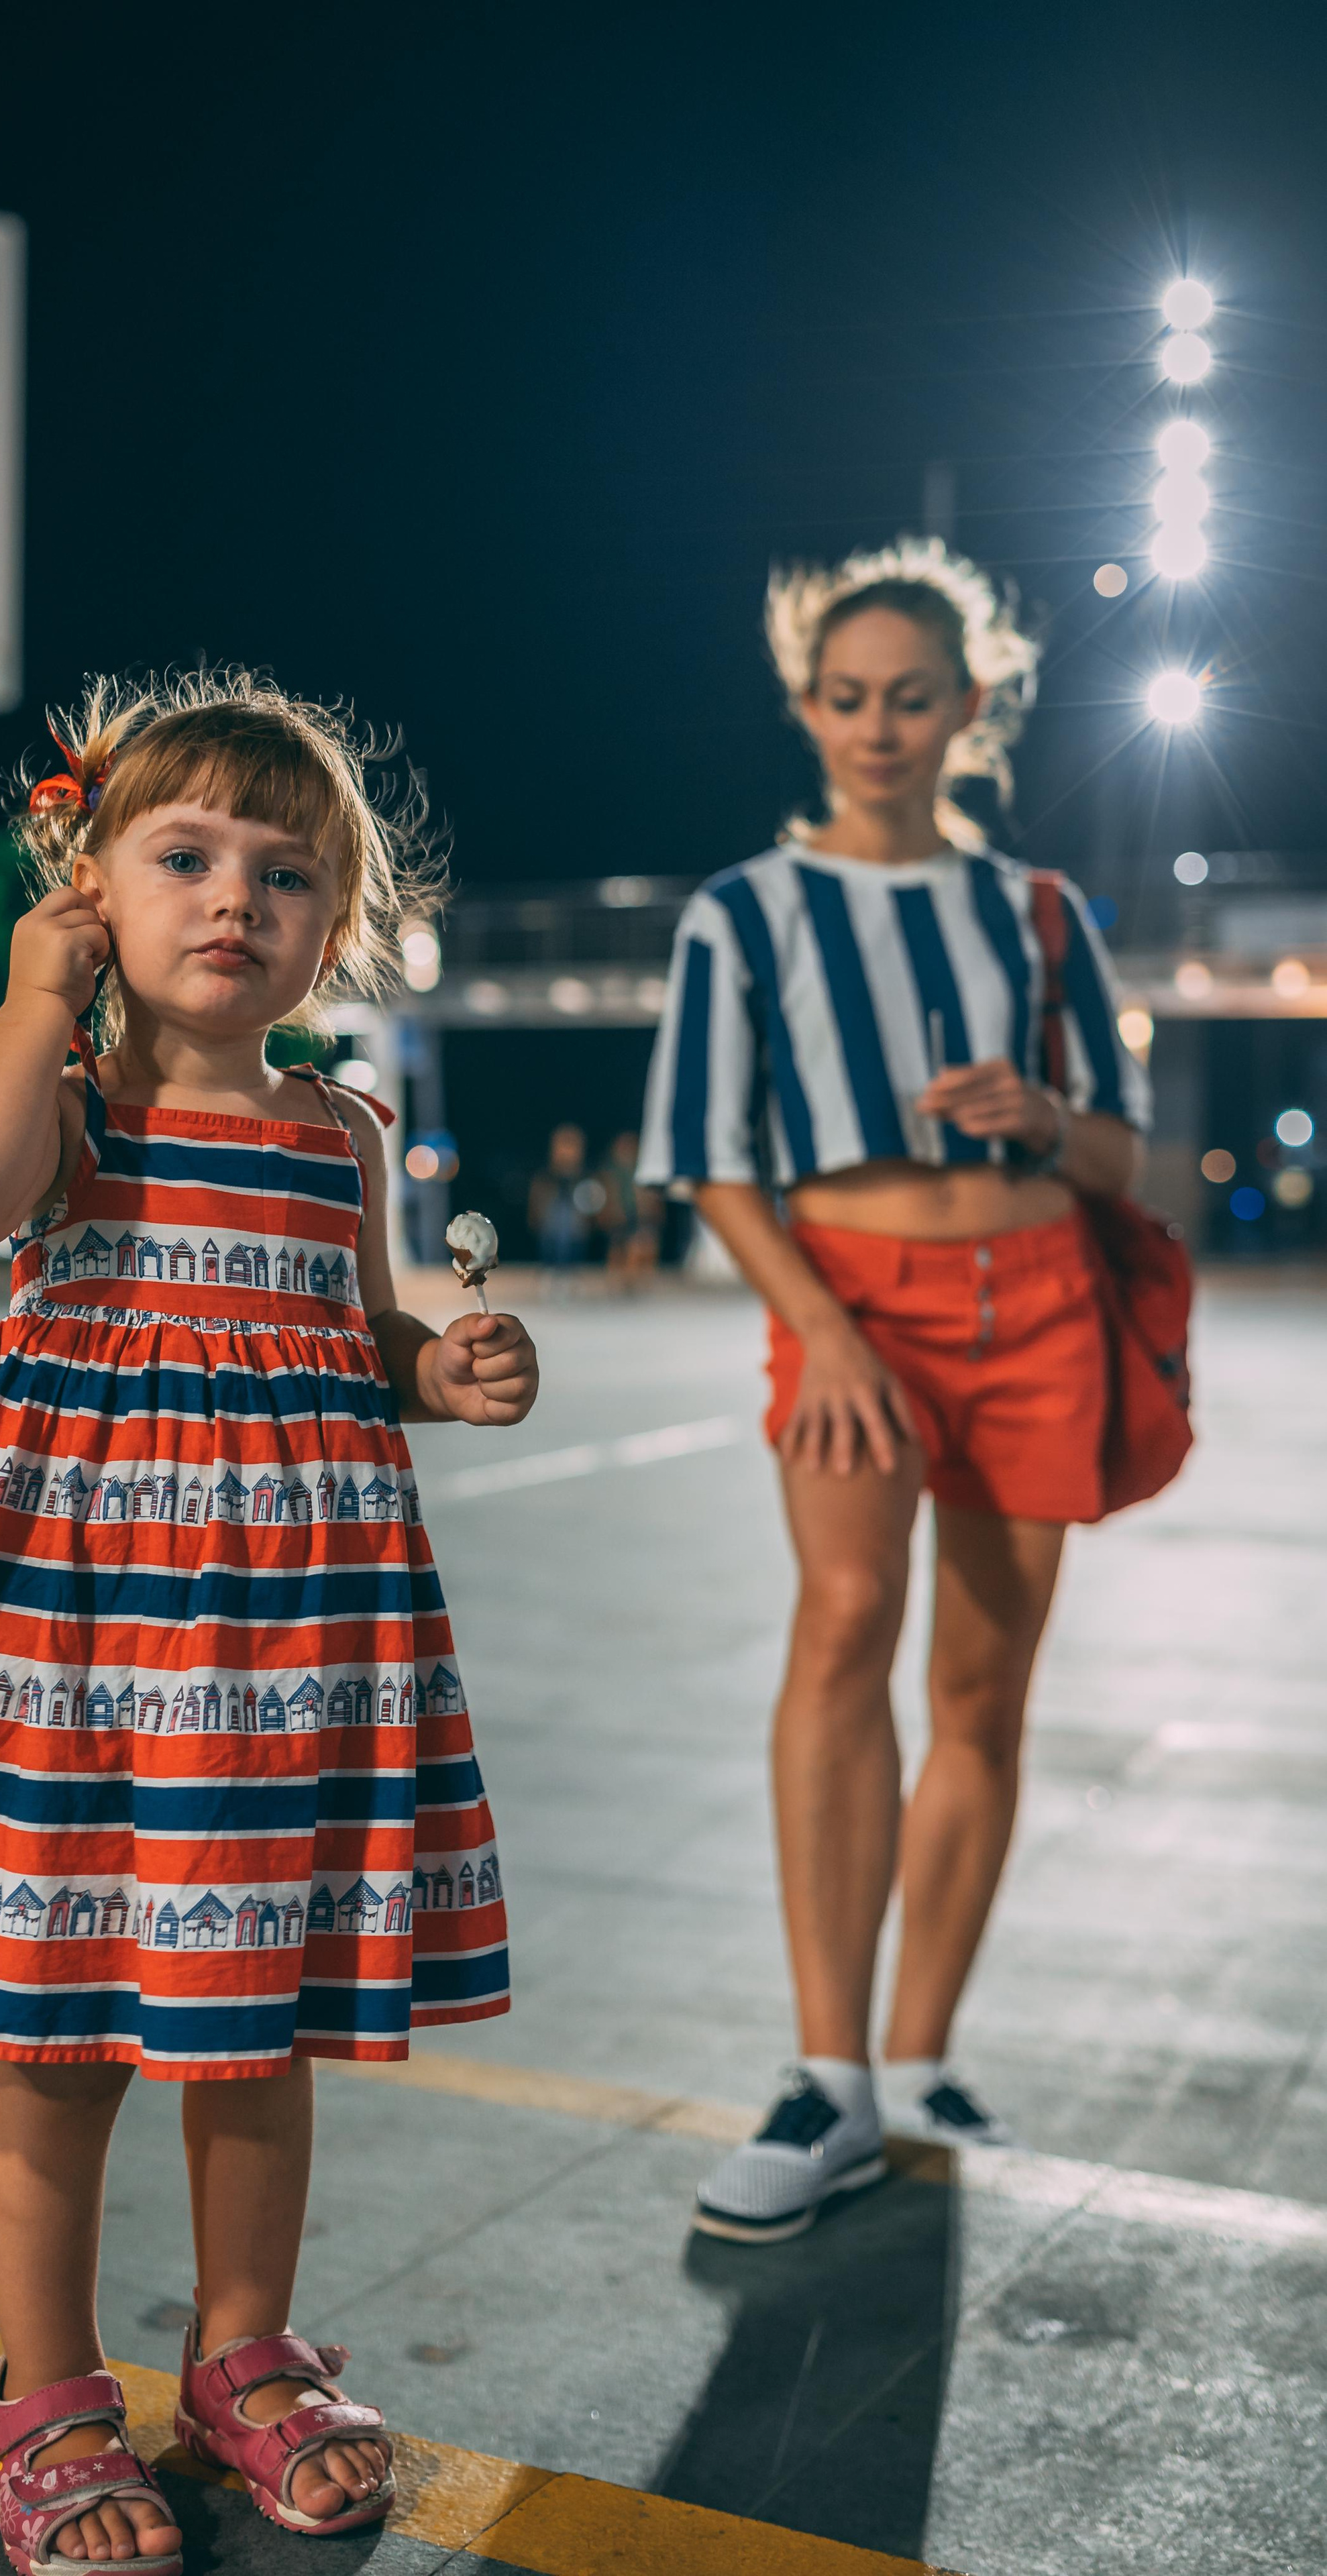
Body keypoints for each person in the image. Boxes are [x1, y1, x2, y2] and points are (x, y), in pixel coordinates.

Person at [0, 672, 539, 2567]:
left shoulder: (338, 1133)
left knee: (259, 2017)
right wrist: (29, 998)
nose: (236, 898)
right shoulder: (62, 1107)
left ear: (341, 924)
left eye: (288, 872)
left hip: (289, 1641)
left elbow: (357, 1337)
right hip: (76, 1635)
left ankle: (244, 2356)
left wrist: (442, 1368)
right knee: (59, 2016)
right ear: (90, 887)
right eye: (182, 857)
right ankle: (45, 2388)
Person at [638, 540, 1149, 2244]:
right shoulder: (742, 912)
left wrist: (1040, 1121)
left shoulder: (1043, 912)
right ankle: (823, 2073)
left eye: (909, 695)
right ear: (805, 706)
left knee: (984, 1683)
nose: (875, 724)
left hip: (1039, 1296)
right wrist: (826, 1328)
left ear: (970, 707)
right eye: (844, 696)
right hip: (847, 1296)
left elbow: (1120, 1148)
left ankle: (920, 2055)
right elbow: (710, 1163)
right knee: (843, 1619)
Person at [528, 1121, 593, 1284]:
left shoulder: (583, 1176)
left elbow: (590, 1201)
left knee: (572, 1247)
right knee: (552, 1248)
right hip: (551, 1227)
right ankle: (550, 1275)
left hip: (575, 1227)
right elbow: (537, 1200)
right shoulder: (546, 1176)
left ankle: (570, 1275)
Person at [596, 1130, 662, 1286]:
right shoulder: (610, 1171)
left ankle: (639, 1280)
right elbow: (605, 1196)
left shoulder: (643, 1170)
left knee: (642, 1245)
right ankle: (617, 1281)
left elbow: (652, 1197)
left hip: (640, 1216)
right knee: (618, 1248)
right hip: (619, 1217)